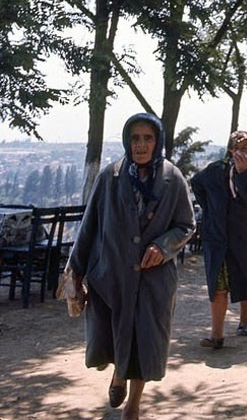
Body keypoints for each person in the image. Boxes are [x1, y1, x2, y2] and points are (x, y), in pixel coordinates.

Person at [65, 112, 195, 420]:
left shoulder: (172, 178)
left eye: (147, 138)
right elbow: (89, 227)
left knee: (144, 343)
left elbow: (186, 225)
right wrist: (75, 270)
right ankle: (117, 375)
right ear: (127, 141)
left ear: (157, 141)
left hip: (154, 281)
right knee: (111, 338)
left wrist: (163, 247)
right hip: (111, 277)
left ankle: (133, 406)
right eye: (135, 138)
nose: (141, 145)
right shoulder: (110, 177)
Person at [190, 130, 247, 348]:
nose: (240, 152)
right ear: (230, 149)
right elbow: (196, 184)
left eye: (245, 149)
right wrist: (210, 210)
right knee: (219, 284)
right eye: (237, 148)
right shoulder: (216, 171)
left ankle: (245, 321)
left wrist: (243, 174)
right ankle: (216, 336)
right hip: (218, 238)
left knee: (245, 278)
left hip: (246, 238)